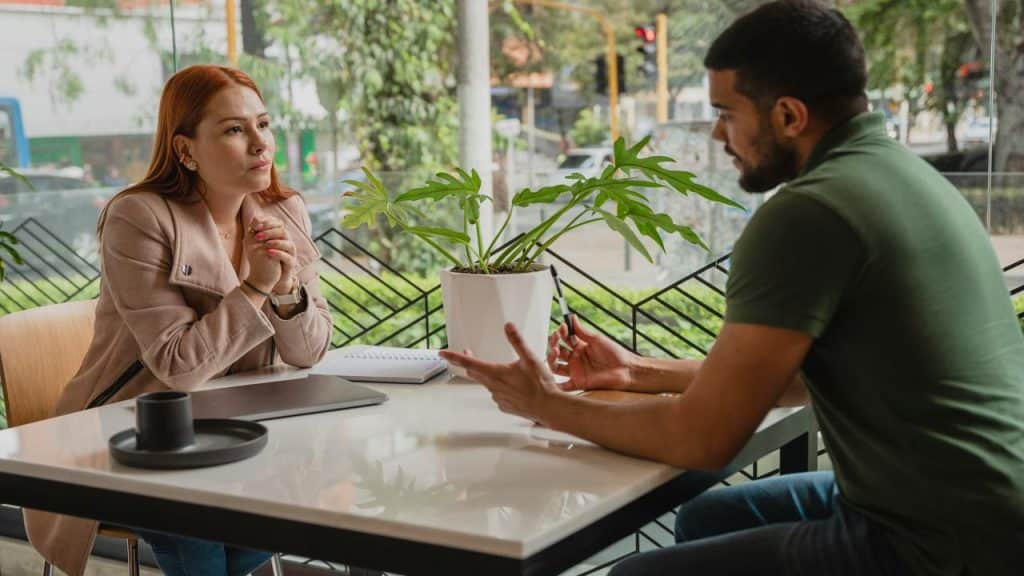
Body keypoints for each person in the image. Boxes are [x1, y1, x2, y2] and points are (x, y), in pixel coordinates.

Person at [440, 1, 1024, 574]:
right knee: (710, 518)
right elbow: (793, 372)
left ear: (789, 116)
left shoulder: (810, 212)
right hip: (982, 502)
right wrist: (636, 372)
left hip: (940, 540)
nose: (719, 133)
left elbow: (703, 439)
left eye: (726, 113)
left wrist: (550, 406)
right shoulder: (902, 174)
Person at [24, 65, 333, 576]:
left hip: (243, 430)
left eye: (264, 124)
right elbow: (178, 367)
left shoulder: (285, 210)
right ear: (185, 150)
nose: (260, 144)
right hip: (134, 431)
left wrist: (284, 290)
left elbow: (309, 351)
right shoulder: (138, 218)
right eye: (234, 130)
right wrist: (254, 286)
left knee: (276, 513)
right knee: (201, 537)